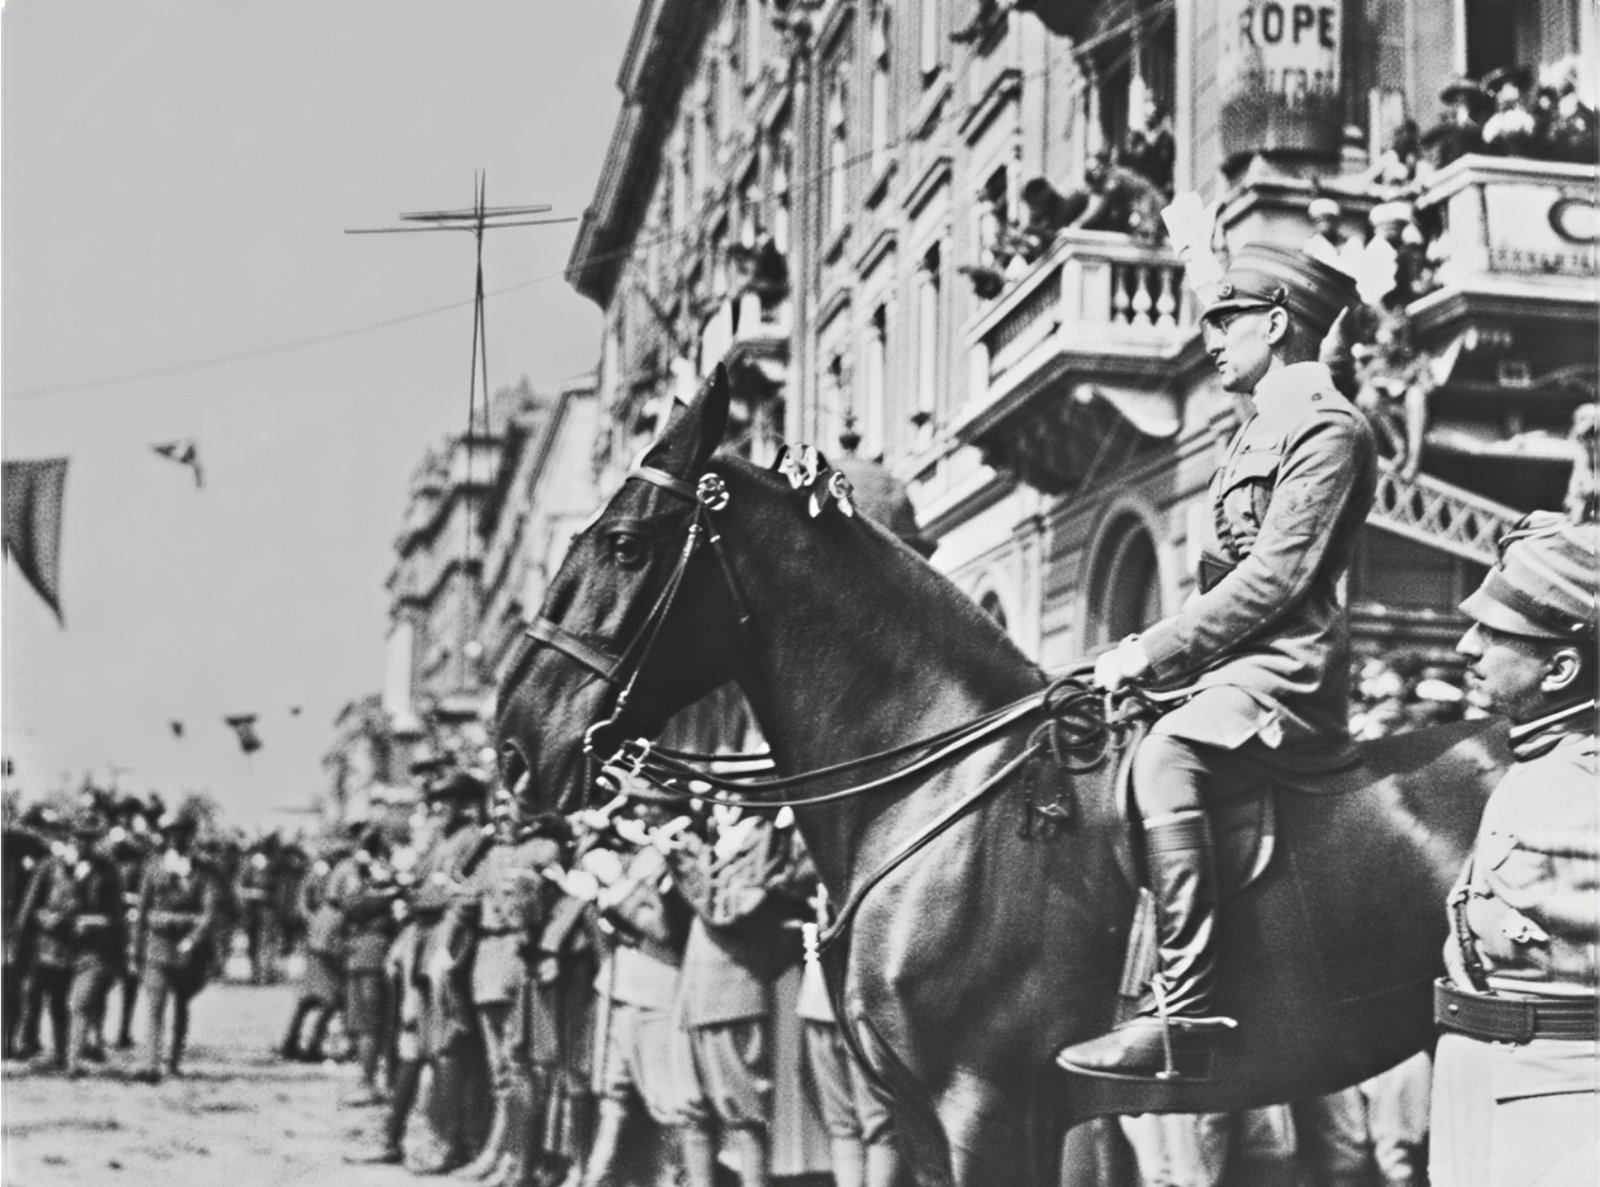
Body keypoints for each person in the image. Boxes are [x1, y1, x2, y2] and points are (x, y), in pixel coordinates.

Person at [1056, 243, 1376, 1078]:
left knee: (1165, 758)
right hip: (1227, 670)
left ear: (1275, 323)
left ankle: (1186, 1008)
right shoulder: (1254, 430)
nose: (1211, 339)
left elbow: (1275, 577)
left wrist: (1151, 648)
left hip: (1285, 671)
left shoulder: (1329, 427)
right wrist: (1148, 664)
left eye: (1227, 321)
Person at [1428, 513, 1598, 1187]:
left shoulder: (1584, 782)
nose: (1466, 646)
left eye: (1494, 633)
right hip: (1482, 1076)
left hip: (1565, 1100)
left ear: (1559, 668)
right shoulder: (1537, 764)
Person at [133, 809, 222, 1082]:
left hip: (188, 951)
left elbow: (209, 913)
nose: (175, 839)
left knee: (182, 1006)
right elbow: (142, 910)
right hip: (157, 946)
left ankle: (173, 1060)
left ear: (189, 836)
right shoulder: (153, 867)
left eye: (181, 834)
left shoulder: (203, 871)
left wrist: (193, 939)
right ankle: (151, 1064)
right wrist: (136, 948)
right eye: (170, 834)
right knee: (155, 1006)